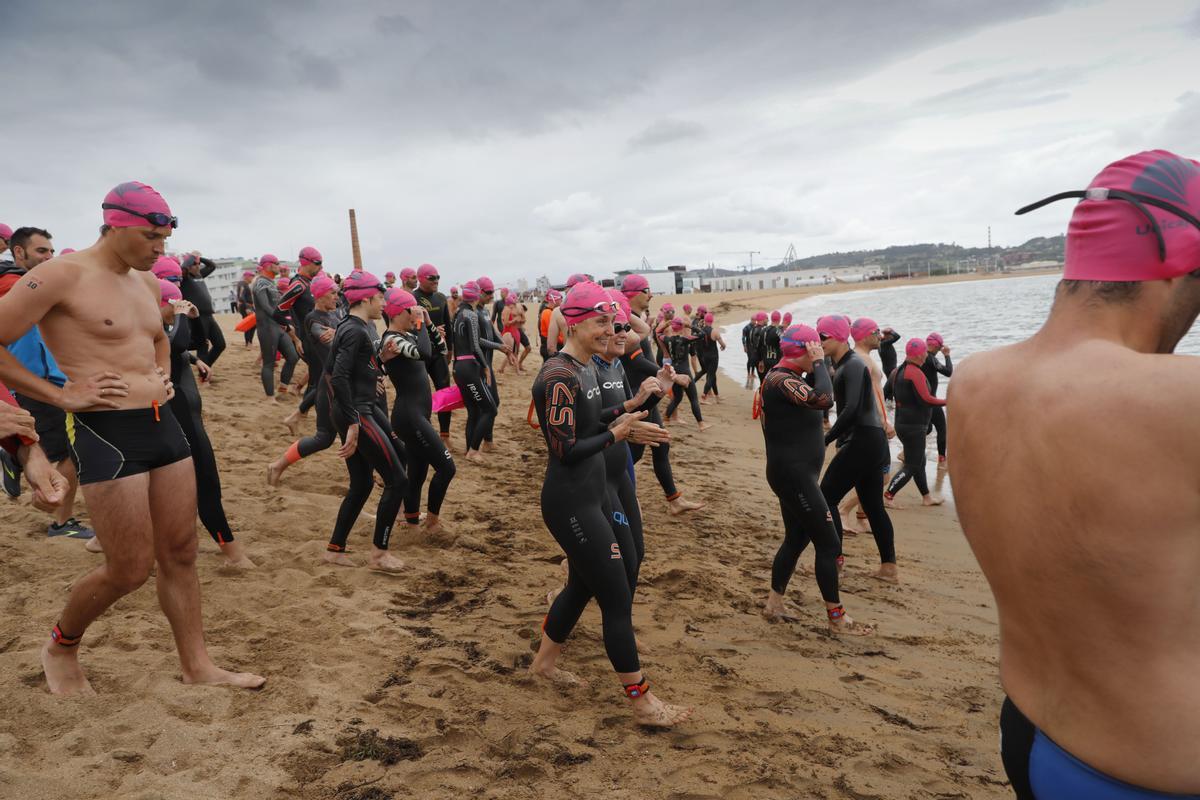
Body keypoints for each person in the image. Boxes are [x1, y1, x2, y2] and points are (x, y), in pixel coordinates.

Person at [950, 149, 1200, 798]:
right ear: (1180, 269)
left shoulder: (974, 384)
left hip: (1035, 741)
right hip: (1160, 774)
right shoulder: (1183, 399)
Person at [0, 180, 264, 694]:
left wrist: (161, 371)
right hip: (108, 430)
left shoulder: (145, 282)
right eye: (150, 237)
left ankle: (197, 665)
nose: (160, 249)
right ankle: (61, 645)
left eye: (164, 239)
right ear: (115, 226)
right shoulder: (60, 275)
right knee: (127, 569)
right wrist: (60, 396)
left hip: (163, 423)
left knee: (181, 553)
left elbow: (157, 337)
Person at [528, 281, 688, 728]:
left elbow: (589, 420)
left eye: (612, 322)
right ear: (574, 324)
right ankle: (642, 703)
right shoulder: (558, 376)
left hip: (594, 493)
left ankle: (543, 665)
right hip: (570, 501)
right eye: (601, 322)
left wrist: (627, 412)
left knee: (583, 586)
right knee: (616, 594)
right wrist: (618, 434)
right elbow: (565, 448)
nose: (610, 330)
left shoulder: (585, 369)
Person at [759, 325, 871, 634]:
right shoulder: (781, 380)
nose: (820, 356)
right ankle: (837, 618)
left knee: (796, 539)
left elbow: (820, 389)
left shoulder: (788, 376)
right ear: (804, 352)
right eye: (814, 350)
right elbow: (824, 398)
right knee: (829, 543)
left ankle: (774, 604)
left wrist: (818, 364)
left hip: (792, 473)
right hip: (793, 475)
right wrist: (820, 361)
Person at [0, 226, 94, 538]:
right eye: (41, 251)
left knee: (63, 449)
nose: (49, 257)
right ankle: (61, 523)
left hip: (45, 381)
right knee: (69, 454)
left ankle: (13, 453)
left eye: (51, 251)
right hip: (32, 383)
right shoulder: (15, 284)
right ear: (18, 252)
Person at [158, 280, 254, 567]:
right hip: (180, 420)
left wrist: (194, 320)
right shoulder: (153, 334)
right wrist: (180, 316)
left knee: (200, 485)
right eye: (174, 303)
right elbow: (175, 343)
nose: (179, 308)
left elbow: (197, 343)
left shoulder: (167, 331)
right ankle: (233, 554)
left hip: (189, 416)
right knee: (206, 483)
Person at [323, 270, 407, 573]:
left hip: (362, 409)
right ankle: (379, 554)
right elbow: (337, 376)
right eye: (381, 297)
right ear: (367, 298)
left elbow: (353, 369)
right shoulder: (354, 330)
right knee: (397, 480)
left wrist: (380, 360)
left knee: (362, 483)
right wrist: (352, 422)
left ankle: (335, 550)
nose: (384, 303)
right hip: (357, 412)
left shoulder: (355, 326)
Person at [816, 315, 897, 583]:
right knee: (873, 506)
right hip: (871, 440)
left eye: (823, 337)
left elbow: (851, 409)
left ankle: (835, 562)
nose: (819, 341)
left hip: (862, 439)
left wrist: (827, 438)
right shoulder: (846, 364)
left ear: (840, 337)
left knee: (826, 498)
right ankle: (889, 569)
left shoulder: (851, 364)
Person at [618, 274, 704, 515]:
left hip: (647, 393)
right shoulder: (627, 323)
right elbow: (635, 360)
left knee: (660, 444)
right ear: (633, 294)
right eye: (647, 290)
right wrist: (671, 375)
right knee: (633, 452)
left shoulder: (637, 320)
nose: (651, 294)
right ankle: (612, 490)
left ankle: (674, 500)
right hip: (636, 394)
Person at [380, 288, 455, 537]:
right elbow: (423, 352)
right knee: (447, 468)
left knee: (418, 474)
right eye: (411, 311)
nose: (415, 315)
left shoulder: (408, 336)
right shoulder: (392, 341)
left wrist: (428, 323)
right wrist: (421, 323)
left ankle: (412, 523)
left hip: (416, 415)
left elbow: (440, 350)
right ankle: (432, 522)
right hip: (409, 416)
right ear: (397, 312)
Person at [267, 274, 341, 485]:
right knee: (324, 438)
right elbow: (323, 336)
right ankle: (277, 465)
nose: (337, 297)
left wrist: (339, 331)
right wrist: (338, 334)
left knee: (344, 436)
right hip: (330, 387)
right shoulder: (313, 318)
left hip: (339, 383)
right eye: (333, 293)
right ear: (320, 295)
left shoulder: (335, 316)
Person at [837, 318, 895, 532]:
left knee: (875, 475)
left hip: (867, 425)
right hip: (872, 426)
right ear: (863, 335)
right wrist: (884, 421)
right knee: (880, 477)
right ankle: (843, 510)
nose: (880, 336)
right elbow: (874, 395)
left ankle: (862, 518)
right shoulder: (863, 360)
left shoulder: (859, 358)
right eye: (876, 332)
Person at [884, 339, 944, 507]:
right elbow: (927, 399)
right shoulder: (914, 373)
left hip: (902, 424)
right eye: (925, 352)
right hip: (914, 427)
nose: (926, 356)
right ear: (919, 355)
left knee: (920, 462)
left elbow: (886, 392)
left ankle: (926, 497)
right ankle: (889, 495)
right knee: (912, 465)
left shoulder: (897, 371)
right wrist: (948, 400)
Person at [279, 246, 324, 435]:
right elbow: (278, 311)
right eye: (318, 263)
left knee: (318, 379)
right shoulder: (298, 284)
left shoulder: (309, 283)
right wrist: (294, 338)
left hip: (317, 339)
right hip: (307, 341)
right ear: (306, 262)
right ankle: (297, 416)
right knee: (323, 378)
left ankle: (300, 416)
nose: (320, 267)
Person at [452, 282, 499, 463]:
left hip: (458, 366)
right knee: (490, 409)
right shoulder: (471, 315)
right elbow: (475, 346)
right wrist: (485, 366)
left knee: (474, 411)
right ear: (477, 295)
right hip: (469, 367)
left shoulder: (458, 313)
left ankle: (468, 449)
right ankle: (473, 450)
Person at [411, 263, 453, 450]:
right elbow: (410, 326)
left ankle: (445, 435)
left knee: (445, 392)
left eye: (438, 277)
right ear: (420, 278)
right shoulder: (412, 298)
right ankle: (423, 432)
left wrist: (450, 350)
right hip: (419, 353)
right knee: (421, 395)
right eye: (432, 278)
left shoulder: (441, 298)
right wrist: (432, 330)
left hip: (438, 353)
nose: (436, 281)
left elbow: (448, 326)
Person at [252, 254, 300, 399]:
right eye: (277, 263)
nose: (279, 266)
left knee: (292, 357)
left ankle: (282, 388)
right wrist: (284, 322)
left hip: (277, 326)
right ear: (268, 265)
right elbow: (265, 306)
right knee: (269, 363)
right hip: (266, 327)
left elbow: (277, 306)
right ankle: (270, 397)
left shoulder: (271, 282)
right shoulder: (260, 283)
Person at [179, 252, 225, 368]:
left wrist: (199, 258)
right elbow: (183, 268)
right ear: (189, 266)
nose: (197, 266)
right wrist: (191, 257)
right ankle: (203, 374)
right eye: (194, 264)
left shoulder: (199, 275)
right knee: (202, 346)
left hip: (209, 316)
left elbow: (212, 266)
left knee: (220, 344)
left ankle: (205, 367)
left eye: (198, 264)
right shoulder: (184, 278)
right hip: (197, 317)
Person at [663, 318, 709, 430]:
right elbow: (702, 334)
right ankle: (701, 424)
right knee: (693, 398)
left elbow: (658, 333)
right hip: (685, 371)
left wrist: (665, 325)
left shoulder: (668, 340)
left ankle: (666, 418)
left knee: (677, 397)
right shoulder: (685, 339)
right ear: (682, 327)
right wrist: (690, 326)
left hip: (674, 370)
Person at [921, 332, 952, 465]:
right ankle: (942, 459)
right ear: (935, 346)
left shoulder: (919, 356)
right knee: (941, 428)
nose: (939, 351)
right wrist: (947, 355)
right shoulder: (930, 358)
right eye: (939, 348)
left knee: (926, 428)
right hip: (930, 400)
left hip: (920, 400)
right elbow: (948, 372)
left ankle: (908, 450)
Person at [698, 312, 725, 402]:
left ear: (705, 320)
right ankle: (704, 396)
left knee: (713, 376)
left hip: (704, 356)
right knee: (711, 376)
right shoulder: (714, 332)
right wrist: (723, 346)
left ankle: (717, 396)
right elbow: (723, 344)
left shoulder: (701, 331)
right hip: (713, 357)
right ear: (712, 321)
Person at [878, 327, 901, 401]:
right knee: (892, 385)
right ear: (887, 336)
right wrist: (891, 331)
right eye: (891, 335)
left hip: (887, 367)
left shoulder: (882, 343)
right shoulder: (885, 344)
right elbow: (897, 336)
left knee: (891, 385)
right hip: (890, 368)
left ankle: (888, 400)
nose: (892, 337)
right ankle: (884, 398)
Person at [236, 270, 256, 346]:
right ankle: (248, 342)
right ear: (246, 276)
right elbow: (241, 296)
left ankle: (249, 342)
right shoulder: (242, 284)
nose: (252, 278)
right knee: (249, 324)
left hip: (248, 306)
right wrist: (247, 307)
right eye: (251, 276)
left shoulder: (245, 284)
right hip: (246, 306)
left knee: (253, 324)